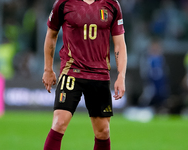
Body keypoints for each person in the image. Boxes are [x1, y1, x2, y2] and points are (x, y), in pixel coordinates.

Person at [42, 0, 127, 149]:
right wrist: (48, 69)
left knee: (103, 131)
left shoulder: (112, 4)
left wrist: (121, 75)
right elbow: (51, 34)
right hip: (71, 71)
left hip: (99, 75)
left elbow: (120, 43)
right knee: (59, 123)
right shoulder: (63, 3)